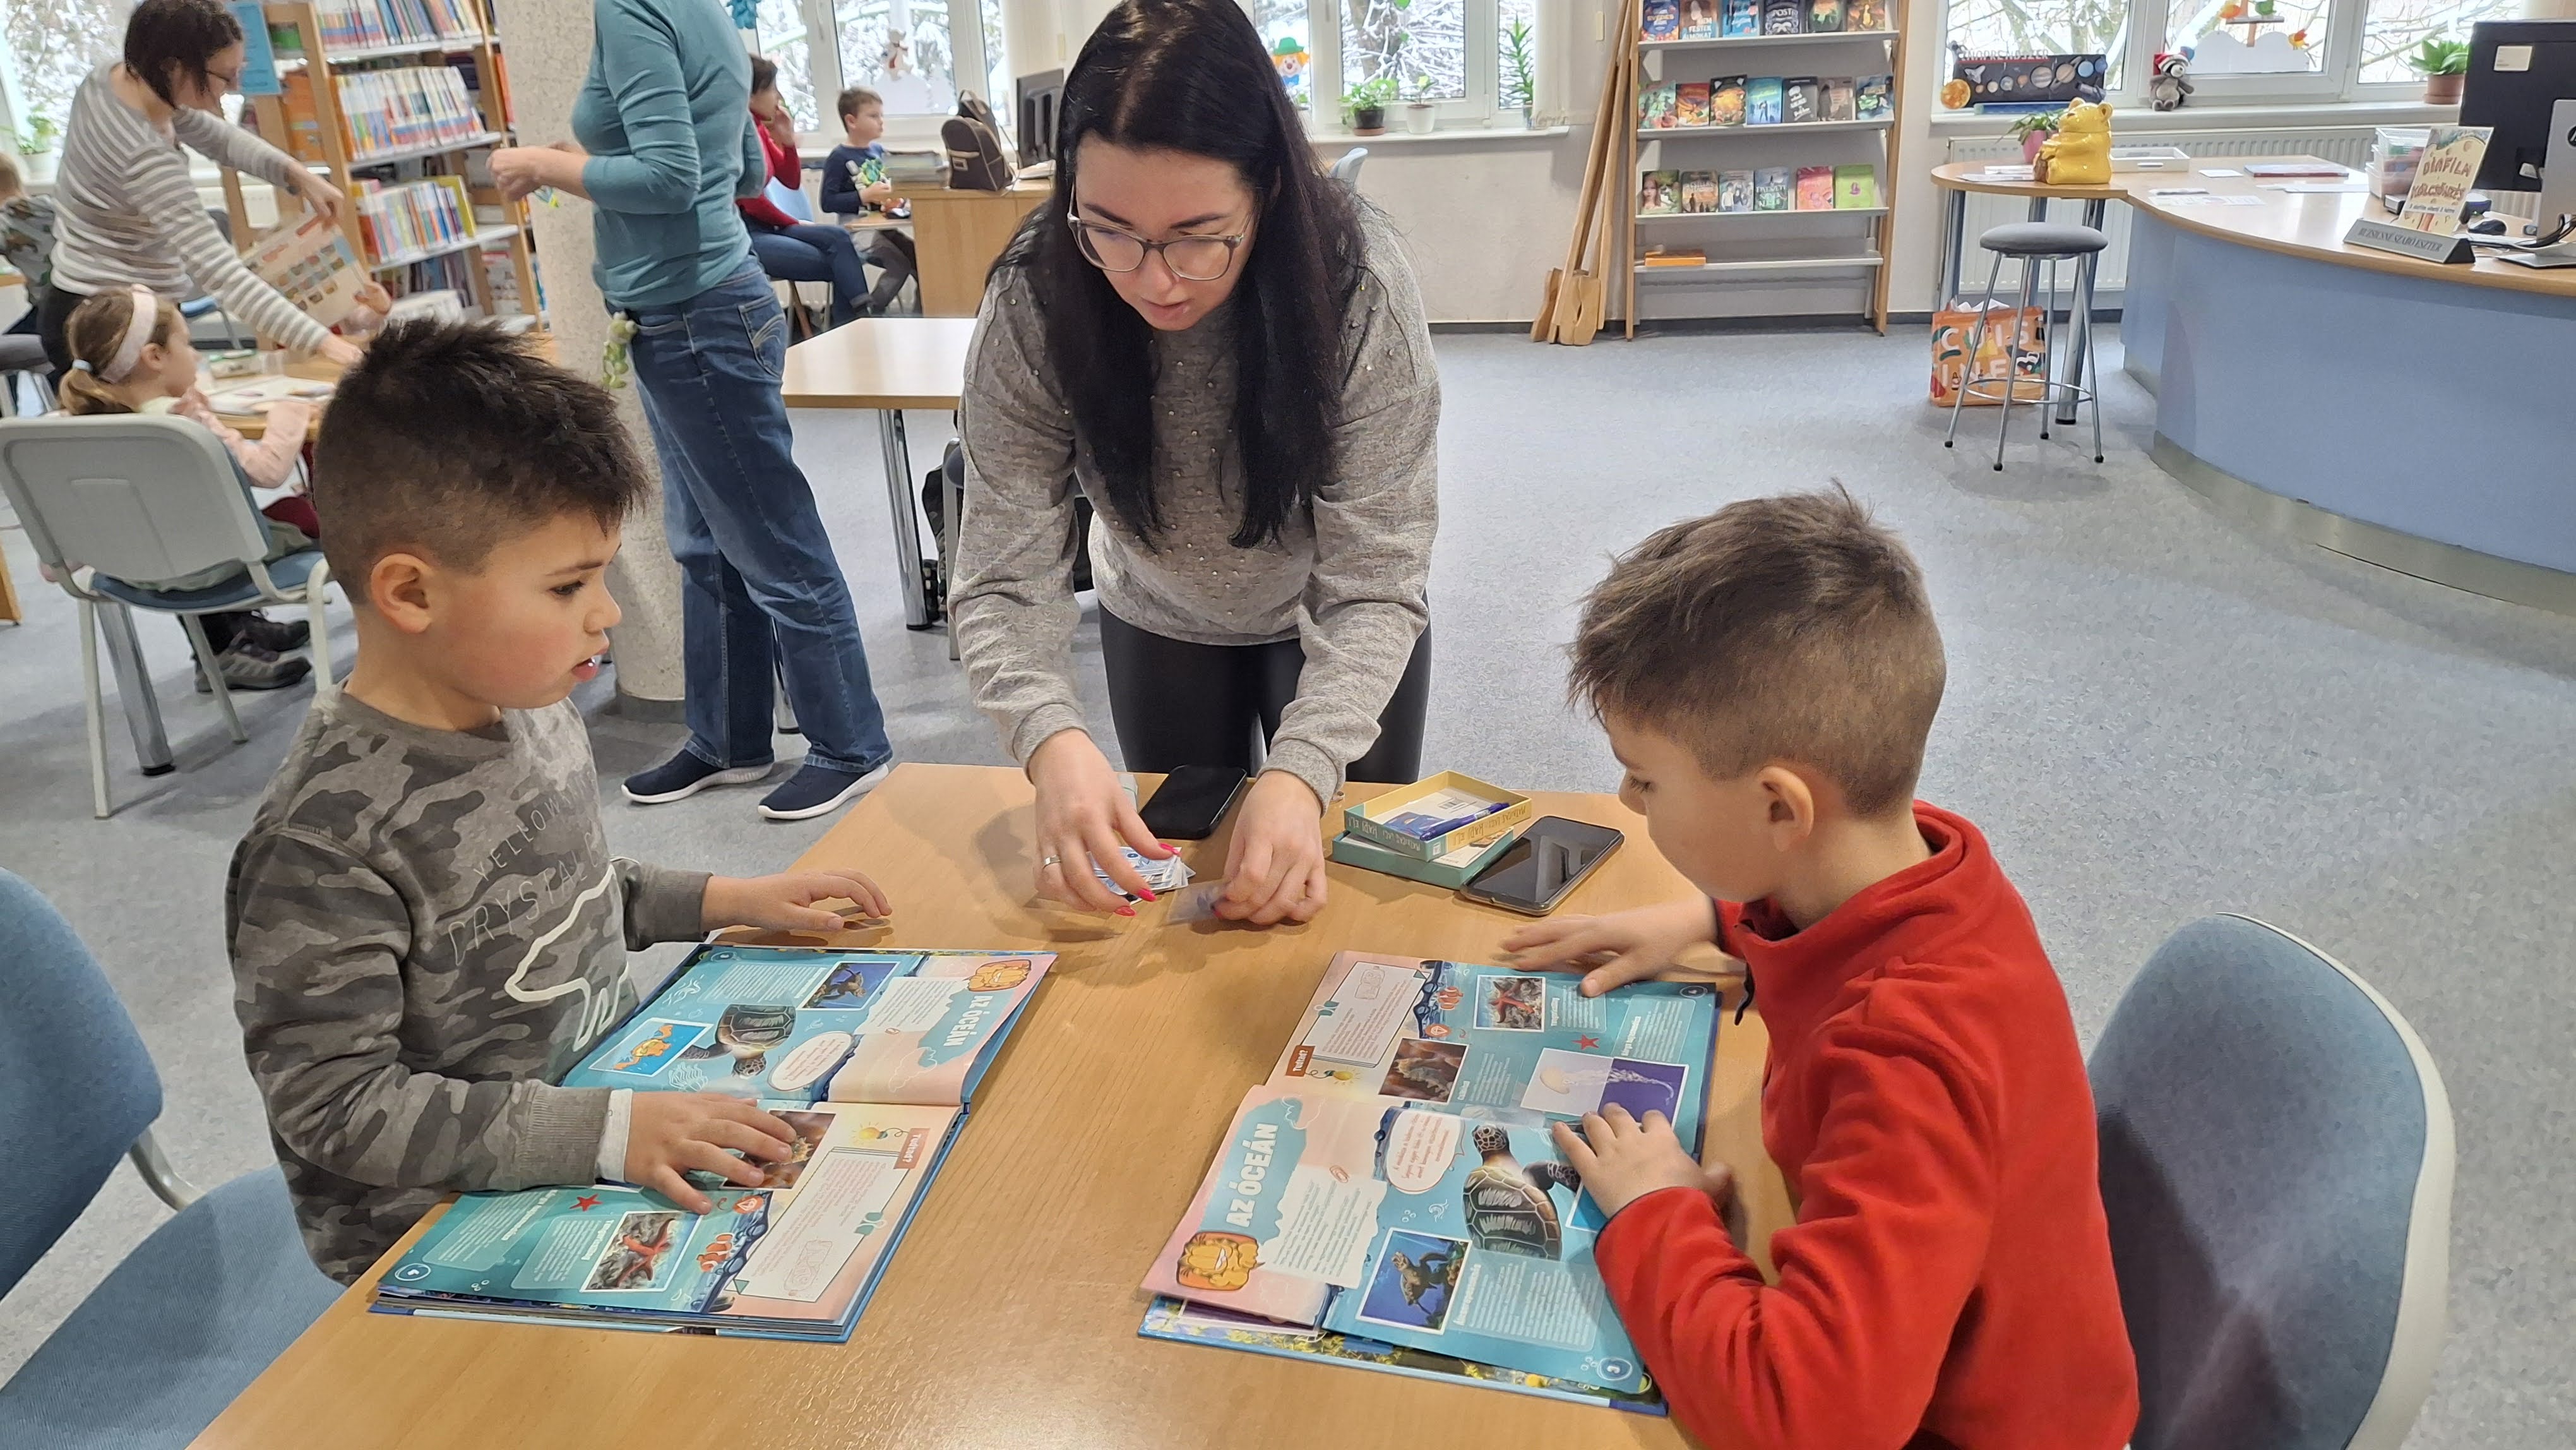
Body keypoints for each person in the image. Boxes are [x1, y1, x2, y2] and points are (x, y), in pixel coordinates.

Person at [226, 321, 897, 1285]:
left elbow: (565, 893)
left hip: (595, 1121)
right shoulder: (323, 842)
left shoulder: (529, 705)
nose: (607, 612)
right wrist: (607, 1132)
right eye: (569, 585)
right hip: (440, 1232)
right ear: (411, 592)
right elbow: (334, 1106)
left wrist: (727, 900)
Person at [1505, 492, 2138, 1449]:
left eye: (1647, 778)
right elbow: (1840, 924)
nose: (1626, 799)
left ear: (1779, 808)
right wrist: (1708, 918)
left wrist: (1656, 1209)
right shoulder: (1933, 868)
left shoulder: (1905, 1056)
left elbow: (1809, 1422)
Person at [951, 0, 1438, 925]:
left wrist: (1302, 771)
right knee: (1179, 884)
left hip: (1336, 615)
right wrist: (1051, 743)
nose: (1153, 278)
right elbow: (1002, 575)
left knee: (1341, 898)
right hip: (1157, 613)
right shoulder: (1036, 294)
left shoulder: (1358, 286)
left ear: (1270, 191)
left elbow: (1379, 574)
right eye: (1110, 229)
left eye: (1197, 236)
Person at [487, 0, 897, 822]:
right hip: (688, 309)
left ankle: (852, 746)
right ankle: (730, 739)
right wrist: (593, 160)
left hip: (693, 314)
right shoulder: (706, 12)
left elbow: (672, 179)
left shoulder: (633, 9)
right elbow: (740, 169)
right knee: (706, 542)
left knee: (773, 541)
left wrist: (541, 162)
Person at [45, 0, 373, 373]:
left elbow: (216, 136)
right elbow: (221, 274)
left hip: (103, 304)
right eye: (225, 76)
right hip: (110, 324)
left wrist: (296, 174)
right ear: (173, 67)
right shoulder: (143, 155)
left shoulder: (114, 78)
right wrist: (324, 343)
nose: (234, 87)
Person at [57, 285, 317, 690]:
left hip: (128, 572)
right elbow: (268, 472)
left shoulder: (74, 429)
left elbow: (55, 555)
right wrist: (290, 416)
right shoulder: (184, 422)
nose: (195, 356)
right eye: (187, 343)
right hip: (212, 568)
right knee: (302, 514)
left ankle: (233, 635)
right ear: (155, 357)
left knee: (172, 527)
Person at [738, 56, 873, 329]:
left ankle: (858, 322)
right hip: (749, 233)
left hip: (769, 228)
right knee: (841, 262)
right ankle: (858, 324)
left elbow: (790, 181)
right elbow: (752, 202)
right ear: (751, 95)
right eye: (772, 89)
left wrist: (787, 141)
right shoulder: (740, 134)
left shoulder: (758, 129)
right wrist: (793, 222)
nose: (778, 97)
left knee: (839, 240)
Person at [818, 85, 917, 316]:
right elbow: (828, 201)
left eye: (881, 115)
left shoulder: (878, 150)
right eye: (873, 116)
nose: (881, 122)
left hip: (883, 225)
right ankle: (872, 310)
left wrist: (896, 199)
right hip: (856, 231)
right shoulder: (839, 158)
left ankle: (923, 313)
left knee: (919, 258)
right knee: (900, 265)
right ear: (851, 121)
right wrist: (863, 196)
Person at [0, 152, 59, 335]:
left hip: (52, 310)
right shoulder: (50, 205)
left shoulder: (4, 223)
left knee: (8, 349)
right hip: (91, 297)